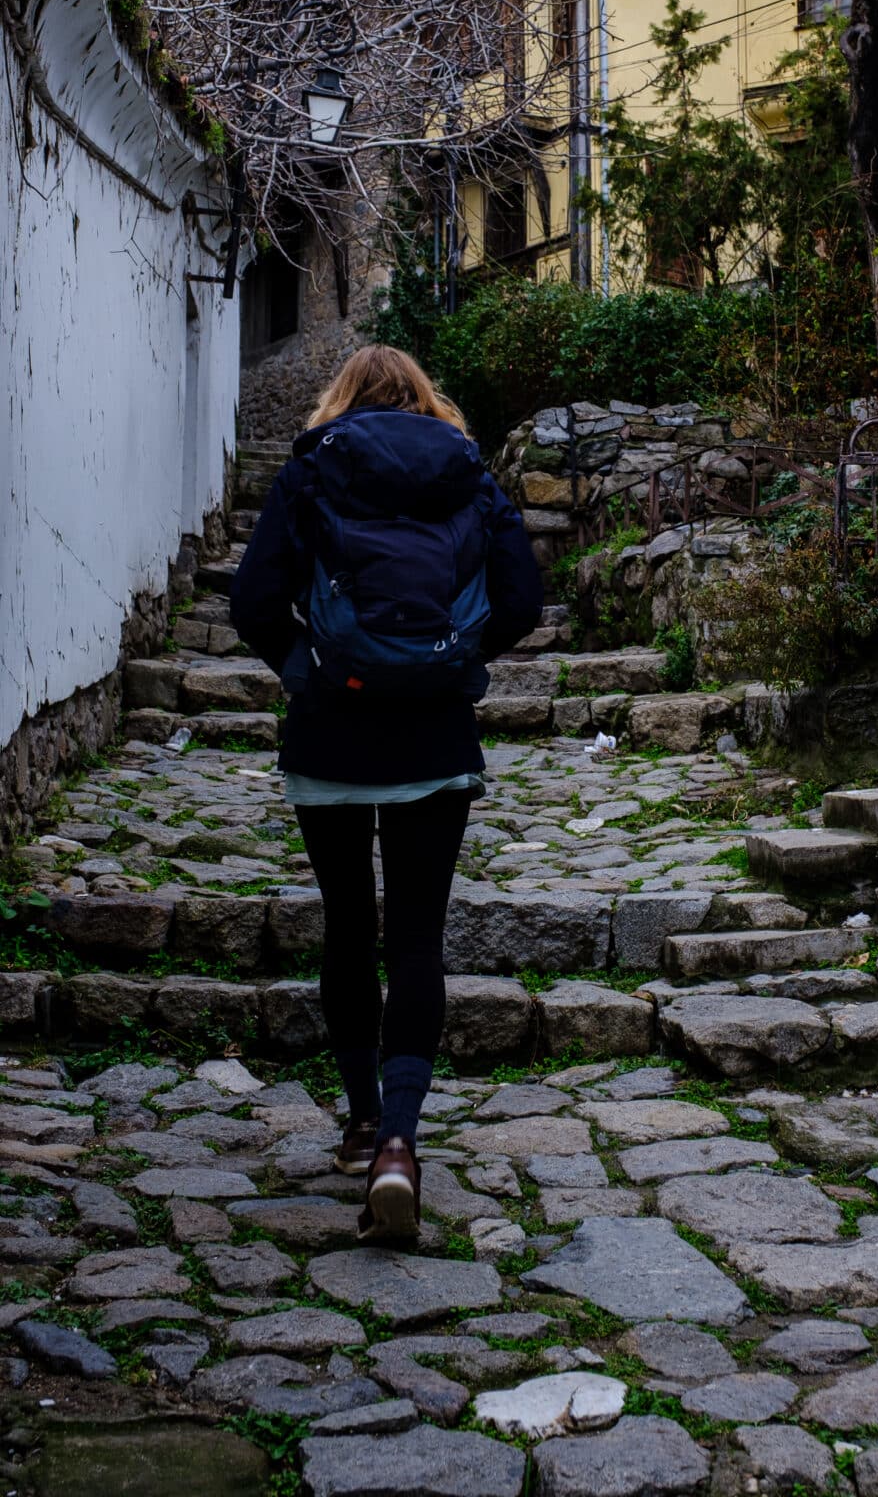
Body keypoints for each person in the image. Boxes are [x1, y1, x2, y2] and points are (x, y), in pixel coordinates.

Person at [230, 344, 543, 1242]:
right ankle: (402, 1142)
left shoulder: (312, 468)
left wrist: (304, 672)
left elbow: (255, 598)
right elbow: (521, 596)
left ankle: (363, 1117)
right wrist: (459, 665)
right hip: (435, 733)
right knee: (416, 937)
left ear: (341, 398)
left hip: (331, 728)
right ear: (420, 398)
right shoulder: (468, 472)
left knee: (346, 926)